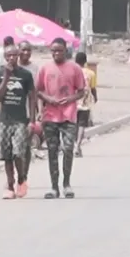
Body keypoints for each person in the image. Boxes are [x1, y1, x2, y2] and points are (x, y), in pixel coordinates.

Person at [34, 38, 86, 199]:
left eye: (59, 51)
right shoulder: (45, 68)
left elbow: (81, 91)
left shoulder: (75, 68)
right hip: (50, 115)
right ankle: (54, 186)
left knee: (68, 148)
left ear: (65, 50)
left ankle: (67, 184)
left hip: (69, 114)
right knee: (52, 150)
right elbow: (38, 90)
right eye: (53, 51)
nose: (56, 54)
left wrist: (70, 99)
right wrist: (48, 100)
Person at [0, 48, 35, 200]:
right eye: (9, 55)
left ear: (18, 56)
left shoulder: (26, 75)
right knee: (6, 155)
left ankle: (21, 179)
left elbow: (32, 97)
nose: (12, 58)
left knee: (18, 153)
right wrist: (6, 78)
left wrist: (32, 120)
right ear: (5, 57)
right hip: (4, 119)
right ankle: (10, 185)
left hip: (20, 120)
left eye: (14, 55)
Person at [74, 51, 96, 155]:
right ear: (85, 61)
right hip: (85, 103)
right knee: (82, 125)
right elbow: (93, 88)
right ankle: (78, 146)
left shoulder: (72, 71)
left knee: (73, 124)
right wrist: (95, 98)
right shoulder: (91, 73)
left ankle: (73, 144)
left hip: (73, 102)